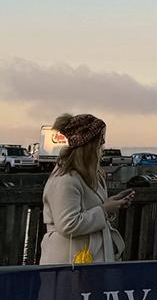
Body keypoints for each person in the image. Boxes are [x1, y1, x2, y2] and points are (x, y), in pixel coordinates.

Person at [40, 113, 132, 264]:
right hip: (69, 263)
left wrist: (112, 203)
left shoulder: (90, 175)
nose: (103, 144)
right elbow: (68, 224)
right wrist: (105, 209)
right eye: (100, 140)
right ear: (89, 145)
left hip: (89, 261)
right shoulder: (65, 180)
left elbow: (90, 210)